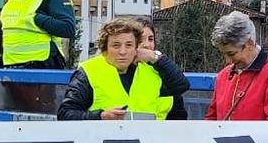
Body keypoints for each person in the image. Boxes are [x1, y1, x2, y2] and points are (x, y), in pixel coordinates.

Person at [59, 17, 190, 120]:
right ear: (105, 49)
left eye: (129, 45)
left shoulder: (151, 71)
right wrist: (100, 116)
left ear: (136, 49)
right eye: (116, 46)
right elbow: (65, 114)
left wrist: (156, 57)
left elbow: (181, 86)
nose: (122, 51)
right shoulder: (89, 71)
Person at [0, 0, 78, 114]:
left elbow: (69, 28)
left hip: (40, 72)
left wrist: (37, 18)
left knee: (39, 120)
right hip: (12, 70)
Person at [206, 12, 268, 122]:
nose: (227, 61)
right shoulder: (223, 75)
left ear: (249, 43)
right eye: (224, 54)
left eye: (231, 54)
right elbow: (211, 119)